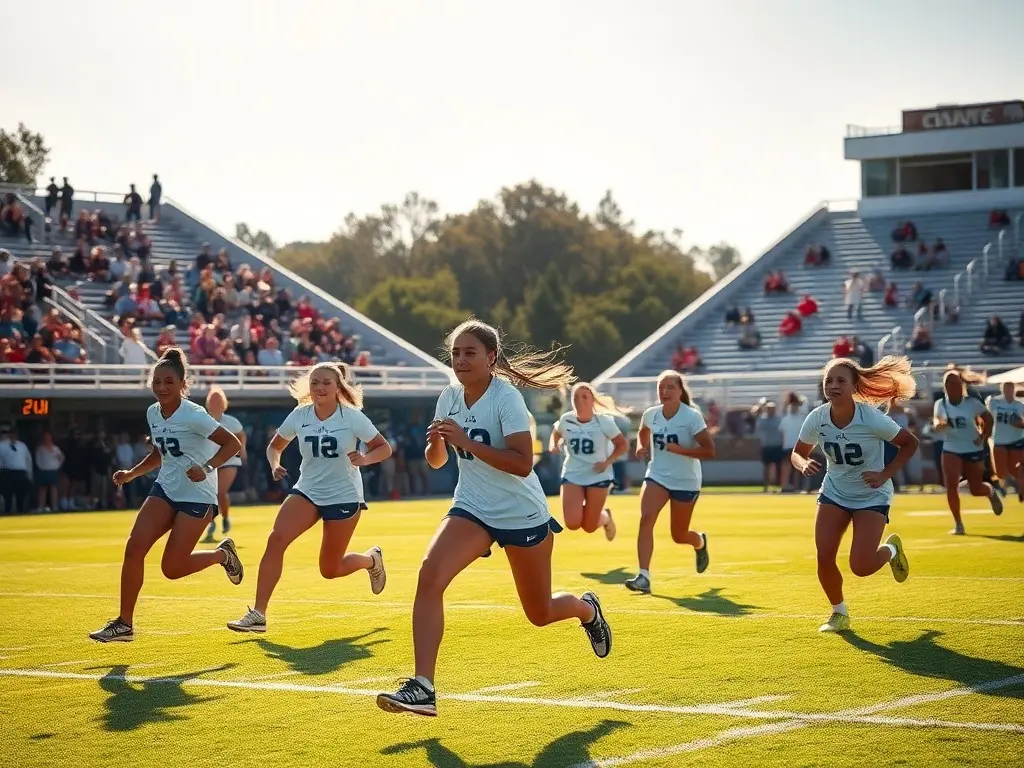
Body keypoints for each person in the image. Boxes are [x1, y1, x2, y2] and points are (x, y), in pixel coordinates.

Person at [376, 319, 611, 717]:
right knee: (430, 575)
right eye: (455, 353)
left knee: (539, 613)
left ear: (491, 358)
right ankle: (423, 686)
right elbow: (437, 461)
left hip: (521, 513)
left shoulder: (507, 398)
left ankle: (587, 609)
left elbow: (522, 463)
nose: (460, 360)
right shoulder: (448, 396)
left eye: (470, 353)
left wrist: (465, 441)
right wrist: (437, 444)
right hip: (472, 507)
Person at [89, 348, 244, 642]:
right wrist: (132, 474)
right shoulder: (153, 412)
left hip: (197, 496)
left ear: (183, 384)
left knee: (171, 569)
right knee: (134, 547)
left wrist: (207, 467)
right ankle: (124, 624)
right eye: (157, 381)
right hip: (165, 489)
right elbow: (160, 453)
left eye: (169, 381)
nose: (161, 387)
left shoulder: (194, 414)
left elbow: (232, 444)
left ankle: (222, 555)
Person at [227, 362, 391, 633]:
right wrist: (274, 464)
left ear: (338, 387)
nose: (320, 387)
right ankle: (259, 614)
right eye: (315, 382)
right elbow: (274, 446)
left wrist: (364, 459)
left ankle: (371, 560)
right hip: (308, 490)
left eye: (326, 382)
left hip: (343, 495)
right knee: (276, 539)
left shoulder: (352, 417)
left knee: (330, 569)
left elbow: (384, 448)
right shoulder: (300, 414)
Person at [790, 356, 918, 633]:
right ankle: (839, 613)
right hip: (834, 493)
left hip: (872, 495)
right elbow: (797, 453)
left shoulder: (870, 418)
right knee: (824, 557)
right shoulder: (817, 418)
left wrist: (884, 474)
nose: (833, 386)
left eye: (841, 381)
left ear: (854, 386)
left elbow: (910, 443)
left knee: (860, 566)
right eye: (829, 381)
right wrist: (803, 463)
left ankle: (892, 550)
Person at [625, 370, 715, 594]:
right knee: (646, 518)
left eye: (670, 387)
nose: (664, 392)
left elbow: (709, 450)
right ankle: (643, 576)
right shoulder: (651, 414)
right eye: (661, 387)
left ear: (680, 391)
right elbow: (643, 431)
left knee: (679, 535)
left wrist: (680, 450)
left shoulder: (692, 416)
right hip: (657, 475)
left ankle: (699, 542)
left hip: (686, 481)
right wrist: (641, 446)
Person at [549, 382, 628, 540]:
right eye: (576, 397)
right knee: (572, 523)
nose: (580, 400)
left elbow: (622, 445)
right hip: (572, 473)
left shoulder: (604, 421)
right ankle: (583, 511)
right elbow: (556, 433)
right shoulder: (566, 419)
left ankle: (606, 516)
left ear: (592, 400)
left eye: (584, 397)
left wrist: (607, 462)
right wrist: (554, 445)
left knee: (589, 527)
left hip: (598, 475)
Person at [932, 368, 1001, 535]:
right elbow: (937, 421)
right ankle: (958, 524)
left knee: (976, 489)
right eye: (948, 383)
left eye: (954, 383)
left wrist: (984, 436)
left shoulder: (971, 403)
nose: (951, 386)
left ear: (961, 385)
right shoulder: (941, 404)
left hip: (972, 447)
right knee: (951, 485)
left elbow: (988, 419)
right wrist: (940, 425)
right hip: (951, 448)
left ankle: (990, 492)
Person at [203, 387, 247, 542]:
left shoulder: (231, 421)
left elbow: (241, 435)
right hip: (210, 461)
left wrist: (243, 450)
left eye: (218, 400)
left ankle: (225, 517)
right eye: (212, 400)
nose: (215, 404)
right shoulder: (202, 420)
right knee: (208, 493)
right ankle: (211, 523)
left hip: (229, 459)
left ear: (223, 403)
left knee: (220, 491)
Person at [987, 382, 1024, 503]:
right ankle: (1009, 485)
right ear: (1002, 390)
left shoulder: (1020, 405)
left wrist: (1020, 424)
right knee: (1001, 473)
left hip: (1016, 440)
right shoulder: (994, 402)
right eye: (1006, 389)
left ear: (1014, 390)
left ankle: (1021, 492)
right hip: (999, 440)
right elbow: (986, 416)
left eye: (1010, 390)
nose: (1008, 392)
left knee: (1017, 471)